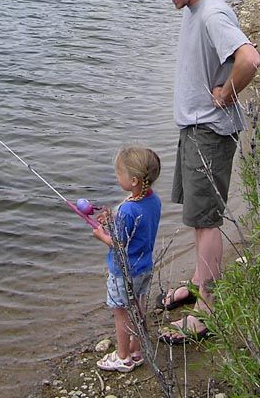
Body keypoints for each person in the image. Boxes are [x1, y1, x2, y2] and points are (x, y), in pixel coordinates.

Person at [150, 0, 260, 344]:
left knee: (206, 218)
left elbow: (250, 58)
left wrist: (228, 93)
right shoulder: (196, 10)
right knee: (197, 215)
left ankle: (207, 310)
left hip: (209, 132)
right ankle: (198, 282)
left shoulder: (213, 13)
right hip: (195, 129)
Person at [93, 146, 162, 373]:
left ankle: (122, 357)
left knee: (121, 313)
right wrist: (113, 219)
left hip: (124, 272)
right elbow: (137, 230)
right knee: (138, 308)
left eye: (118, 174)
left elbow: (119, 244)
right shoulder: (153, 201)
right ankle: (136, 350)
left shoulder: (128, 210)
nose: (116, 177)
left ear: (133, 180)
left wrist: (102, 235)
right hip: (144, 267)